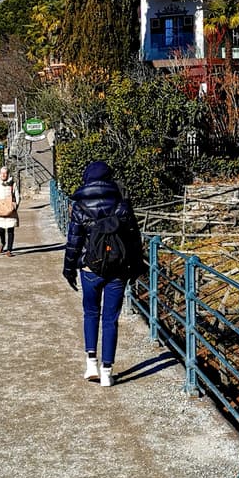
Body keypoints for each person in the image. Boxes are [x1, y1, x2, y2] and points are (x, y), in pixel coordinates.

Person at [62, 159, 144, 387]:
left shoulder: (79, 206)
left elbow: (74, 242)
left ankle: (91, 363)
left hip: (90, 268)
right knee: (111, 319)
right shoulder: (121, 204)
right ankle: (107, 372)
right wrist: (137, 268)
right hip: (117, 270)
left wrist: (69, 269)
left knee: (90, 313)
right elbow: (134, 241)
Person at [0, 165, 19, 256]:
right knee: (1, 229)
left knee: (10, 230)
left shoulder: (13, 184)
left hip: (10, 210)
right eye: (2, 173)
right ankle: (2, 243)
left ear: (8, 174)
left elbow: (17, 196)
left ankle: (9, 249)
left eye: (5, 173)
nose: (3, 175)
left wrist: (15, 206)